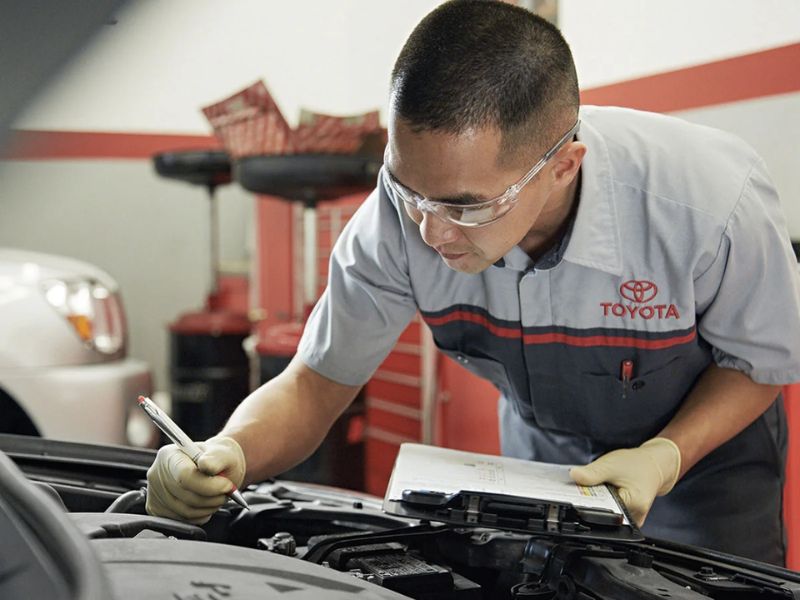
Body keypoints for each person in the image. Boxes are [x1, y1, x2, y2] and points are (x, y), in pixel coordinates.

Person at [145, 0, 800, 565]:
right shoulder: (400, 213)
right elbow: (316, 382)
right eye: (409, 190)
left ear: (564, 166)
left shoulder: (710, 203)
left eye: (465, 205)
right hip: (548, 461)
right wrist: (229, 449)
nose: (430, 232)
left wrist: (666, 455)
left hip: (706, 468)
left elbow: (761, 360)